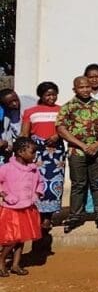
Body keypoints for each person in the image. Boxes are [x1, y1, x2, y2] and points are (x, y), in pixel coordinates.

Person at [57, 76, 98, 233]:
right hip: (77, 151)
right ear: (75, 89)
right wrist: (82, 145)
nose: (85, 90)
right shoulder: (68, 107)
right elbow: (61, 129)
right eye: (81, 87)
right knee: (78, 184)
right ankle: (75, 215)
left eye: (87, 86)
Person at [21, 83, 63, 230]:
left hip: (56, 152)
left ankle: (48, 218)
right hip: (36, 152)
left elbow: (67, 129)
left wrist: (58, 135)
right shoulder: (30, 111)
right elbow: (25, 134)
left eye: (54, 94)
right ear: (41, 96)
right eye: (47, 95)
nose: (51, 97)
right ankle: (36, 216)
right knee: (36, 182)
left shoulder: (61, 110)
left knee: (54, 183)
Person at [0, 138, 43, 277]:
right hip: (11, 210)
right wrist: (5, 195)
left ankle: (15, 265)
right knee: (12, 240)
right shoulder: (6, 168)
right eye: (32, 152)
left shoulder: (33, 170)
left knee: (21, 239)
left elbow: (40, 183)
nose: (34, 155)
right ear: (20, 152)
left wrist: (37, 193)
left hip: (27, 208)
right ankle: (1, 261)